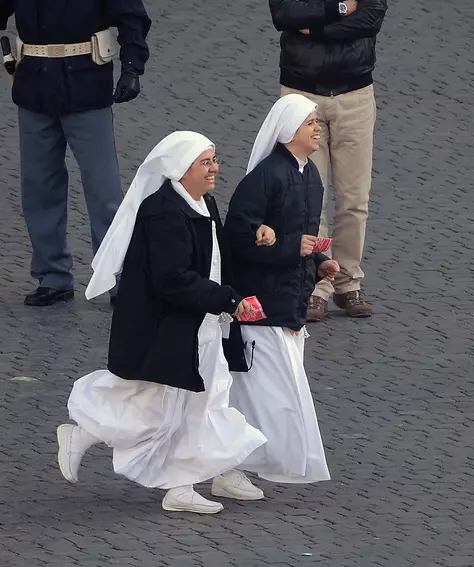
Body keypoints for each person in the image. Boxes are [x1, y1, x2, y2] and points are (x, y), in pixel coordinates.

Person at [56, 132, 277, 515]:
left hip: (200, 322)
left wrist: (232, 294)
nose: (215, 169)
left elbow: (214, 257)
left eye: (214, 160)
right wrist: (228, 299)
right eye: (205, 162)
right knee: (159, 404)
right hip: (169, 327)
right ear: (181, 168)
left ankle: (184, 484)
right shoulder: (162, 211)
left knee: (201, 402)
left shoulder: (202, 201)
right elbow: (171, 279)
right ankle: (87, 433)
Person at [0, 0, 151, 306]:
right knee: (39, 188)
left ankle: (116, 277)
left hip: (85, 88)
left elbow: (132, 18)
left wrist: (132, 68)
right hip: (34, 89)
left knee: (104, 192)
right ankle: (52, 276)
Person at [224, 94, 339, 484]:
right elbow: (239, 237)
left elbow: (304, 236)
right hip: (264, 307)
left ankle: (241, 466)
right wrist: (294, 248)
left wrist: (320, 263)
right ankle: (236, 465)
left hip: (289, 303)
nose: (317, 129)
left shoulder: (310, 175)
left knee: (273, 397)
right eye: (310, 123)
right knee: (270, 398)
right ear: (290, 129)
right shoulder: (267, 176)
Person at [269, 0, 388, 319]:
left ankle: (348, 282)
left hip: (355, 95)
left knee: (354, 199)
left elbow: (370, 19)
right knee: (308, 198)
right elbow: (284, 15)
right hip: (301, 96)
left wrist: (314, 27)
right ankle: (316, 286)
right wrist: (341, 8)